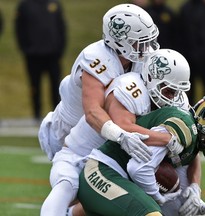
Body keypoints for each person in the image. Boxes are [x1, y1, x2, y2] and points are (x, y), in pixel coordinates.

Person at [40, 49, 191, 216]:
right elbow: (123, 126)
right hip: (78, 156)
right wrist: (166, 138)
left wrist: (195, 188)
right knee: (66, 186)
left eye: (176, 91)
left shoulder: (175, 101)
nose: (173, 97)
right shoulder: (131, 87)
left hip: (113, 163)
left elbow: (192, 148)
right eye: (169, 90)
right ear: (151, 78)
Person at [77, 94, 205, 216]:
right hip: (101, 172)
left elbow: (177, 204)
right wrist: (158, 198)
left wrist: (200, 207)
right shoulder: (185, 127)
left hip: (118, 180)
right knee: (151, 213)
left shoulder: (191, 144)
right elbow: (138, 169)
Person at [38, 3, 160, 162]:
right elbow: (93, 112)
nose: (147, 47)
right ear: (120, 41)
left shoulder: (140, 59)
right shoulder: (97, 58)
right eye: (139, 42)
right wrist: (121, 136)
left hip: (105, 131)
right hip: (70, 132)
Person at [14, 0, 67, 120]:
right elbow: (19, 28)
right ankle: (37, 114)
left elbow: (61, 27)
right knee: (35, 86)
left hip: (53, 54)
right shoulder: (25, 5)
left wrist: (60, 48)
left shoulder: (54, 4)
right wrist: (25, 48)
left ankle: (57, 115)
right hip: (33, 55)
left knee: (56, 85)